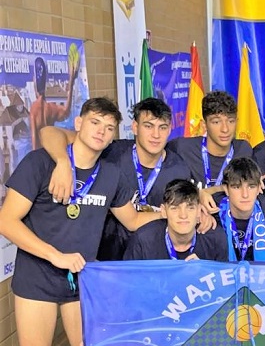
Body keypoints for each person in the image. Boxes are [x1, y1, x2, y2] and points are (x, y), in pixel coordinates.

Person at [0, 98, 162, 346]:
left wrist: (175, 215)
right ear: (79, 122)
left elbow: (133, 219)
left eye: (109, 128)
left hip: (80, 285)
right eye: (95, 123)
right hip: (37, 280)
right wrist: (53, 255)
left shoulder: (111, 175)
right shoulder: (42, 163)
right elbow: (6, 220)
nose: (101, 132)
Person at [39, 98, 194, 260]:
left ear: (170, 130)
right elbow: (49, 132)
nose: (156, 135)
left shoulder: (179, 169)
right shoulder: (110, 151)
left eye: (162, 128)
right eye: (148, 126)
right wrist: (63, 162)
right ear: (135, 127)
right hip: (107, 258)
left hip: (151, 260)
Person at [168, 91, 253, 211]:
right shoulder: (181, 148)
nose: (225, 129)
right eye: (216, 122)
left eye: (230, 121)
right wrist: (200, 193)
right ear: (204, 125)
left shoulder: (243, 150)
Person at [124, 179, 228, 261]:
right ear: (164, 211)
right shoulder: (143, 240)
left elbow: (225, 283)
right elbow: (129, 282)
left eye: (190, 207)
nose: (183, 215)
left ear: (199, 211)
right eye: (175, 208)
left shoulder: (215, 238)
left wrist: (202, 272)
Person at [218, 157, 265, 262]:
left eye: (251, 187)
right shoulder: (213, 213)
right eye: (237, 187)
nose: (245, 195)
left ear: (259, 188)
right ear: (226, 189)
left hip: (261, 276)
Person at [30, 56, 79, 150]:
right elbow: (66, 112)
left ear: (35, 82)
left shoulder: (34, 109)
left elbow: (34, 138)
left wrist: (34, 159)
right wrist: (71, 80)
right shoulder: (51, 108)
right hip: (50, 149)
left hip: (40, 153)